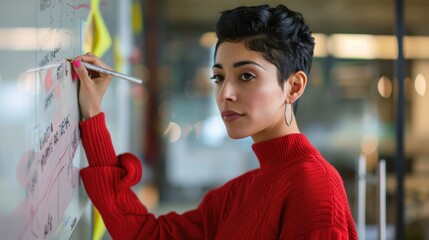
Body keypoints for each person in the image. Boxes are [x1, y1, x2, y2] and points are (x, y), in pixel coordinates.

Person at [73, 4, 358, 240]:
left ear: (294, 86)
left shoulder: (315, 187)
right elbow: (147, 235)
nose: (225, 94)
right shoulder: (234, 195)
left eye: (246, 75)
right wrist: (93, 115)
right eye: (219, 77)